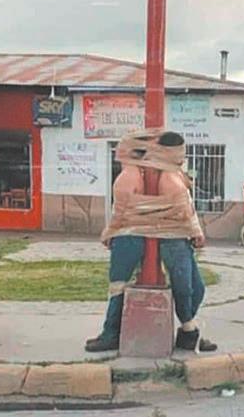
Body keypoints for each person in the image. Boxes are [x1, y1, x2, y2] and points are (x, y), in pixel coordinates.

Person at [86, 132, 217, 353]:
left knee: (192, 288)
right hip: (144, 235)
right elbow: (123, 213)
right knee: (120, 285)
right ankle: (112, 333)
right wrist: (111, 232)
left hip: (168, 236)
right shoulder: (138, 177)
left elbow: (184, 209)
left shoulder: (165, 176)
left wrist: (194, 230)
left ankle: (188, 330)